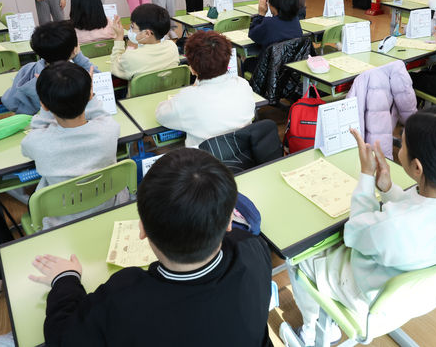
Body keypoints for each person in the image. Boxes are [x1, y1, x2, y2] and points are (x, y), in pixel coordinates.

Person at [27, 148, 273, 346]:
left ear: (142, 229)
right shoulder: (253, 250)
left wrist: (65, 279)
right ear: (231, 220)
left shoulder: (123, 297)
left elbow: (62, 337)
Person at [289, 108, 436, 345]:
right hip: (422, 294)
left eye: (402, 145)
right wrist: (386, 188)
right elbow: (416, 210)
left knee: (297, 259)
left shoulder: (396, 227)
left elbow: (353, 233)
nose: (398, 149)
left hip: (368, 293)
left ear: (417, 168)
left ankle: (312, 331)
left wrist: (365, 176)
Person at [21, 61, 124, 229]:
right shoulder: (109, 130)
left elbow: (35, 133)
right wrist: (89, 96)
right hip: (109, 206)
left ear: (44, 105)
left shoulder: (37, 142)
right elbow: (102, 115)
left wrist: (45, 108)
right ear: (90, 96)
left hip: (61, 221)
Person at [155, 31, 255, 147]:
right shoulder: (242, 85)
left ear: (192, 69)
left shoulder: (188, 98)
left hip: (204, 160)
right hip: (241, 154)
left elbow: (161, 115)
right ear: (228, 60)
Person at [1, 21, 99, 115]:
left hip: (31, 123)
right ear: (74, 50)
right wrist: (78, 57)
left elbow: (9, 101)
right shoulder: (73, 78)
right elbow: (100, 79)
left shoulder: (27, 70)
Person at [110, 3, 180, 80]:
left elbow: (114, 67)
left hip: (139, 92)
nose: (130, 30)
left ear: (147, 33)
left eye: (133, 27)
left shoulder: (131, 57)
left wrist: (119, 38)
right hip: (170, 91)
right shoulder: (172, 46)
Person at [244, 0, 303, 74]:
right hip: (291, 69)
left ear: (273, 5)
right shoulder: (295, 20)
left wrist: (261, 14)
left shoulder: (268, 23)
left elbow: (252, 33)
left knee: (246, 62)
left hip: (270, 71)